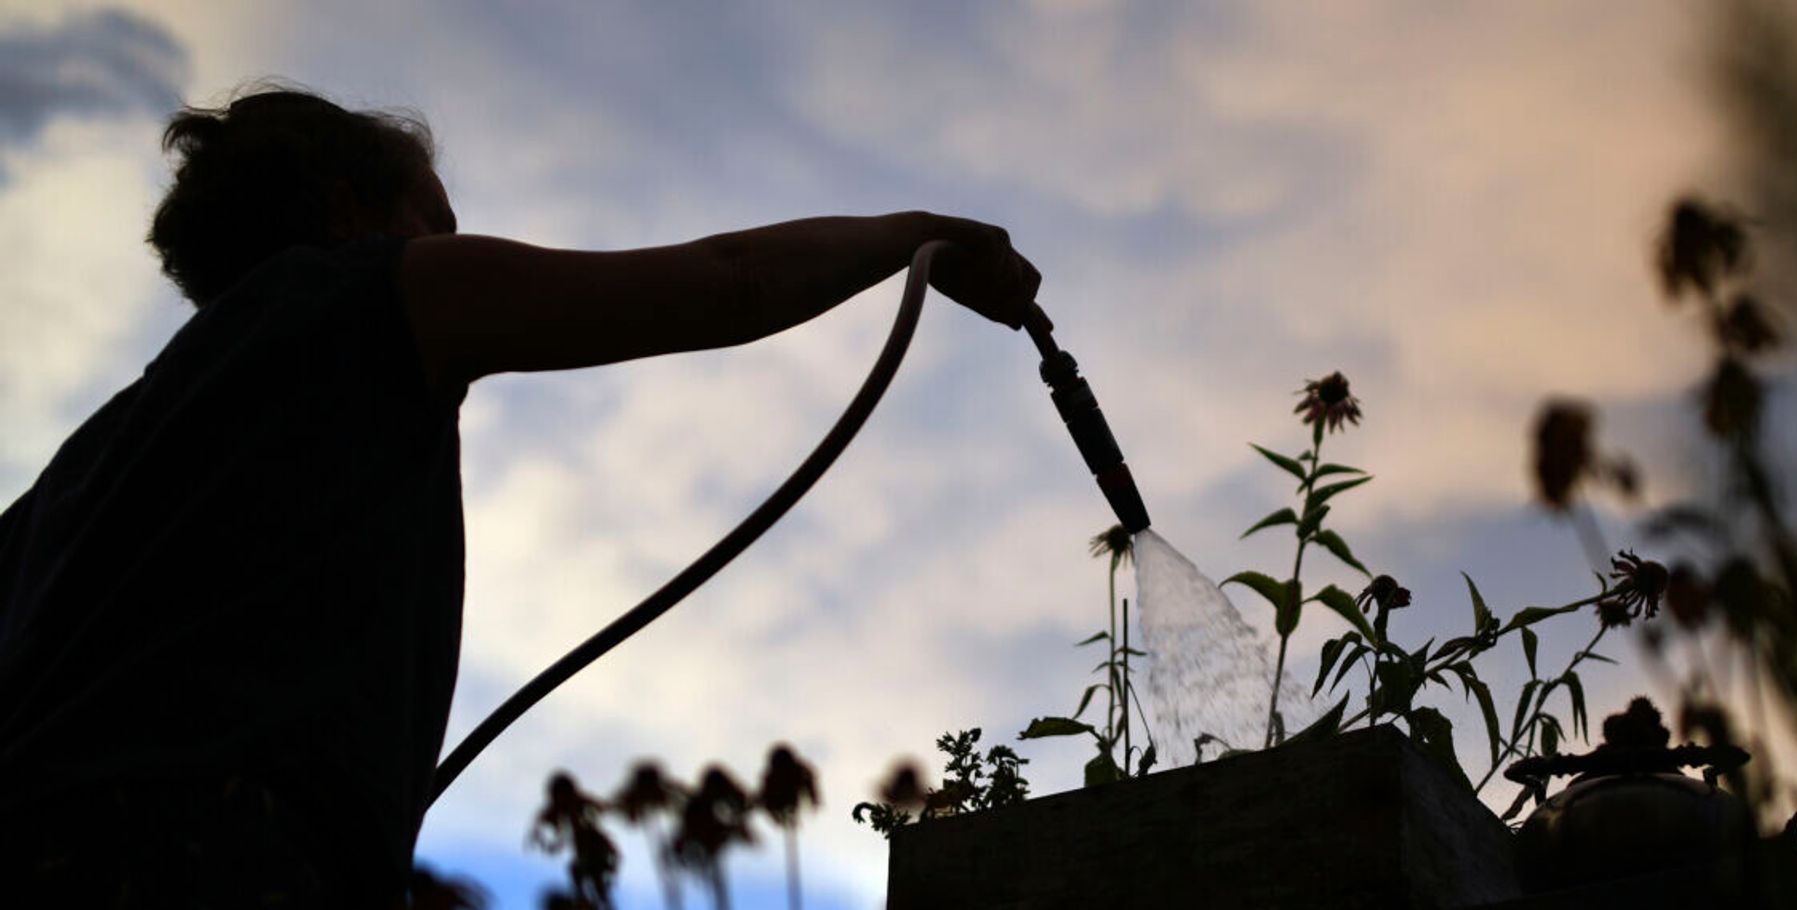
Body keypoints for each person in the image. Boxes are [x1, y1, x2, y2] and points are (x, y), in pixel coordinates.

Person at [0, 87, 1040, 906]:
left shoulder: (79, 470)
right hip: (209, 855)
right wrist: (919, 232)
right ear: (349, 210)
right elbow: (726, 281)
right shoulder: (371, 290)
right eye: (433, 220)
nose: (447, 245)